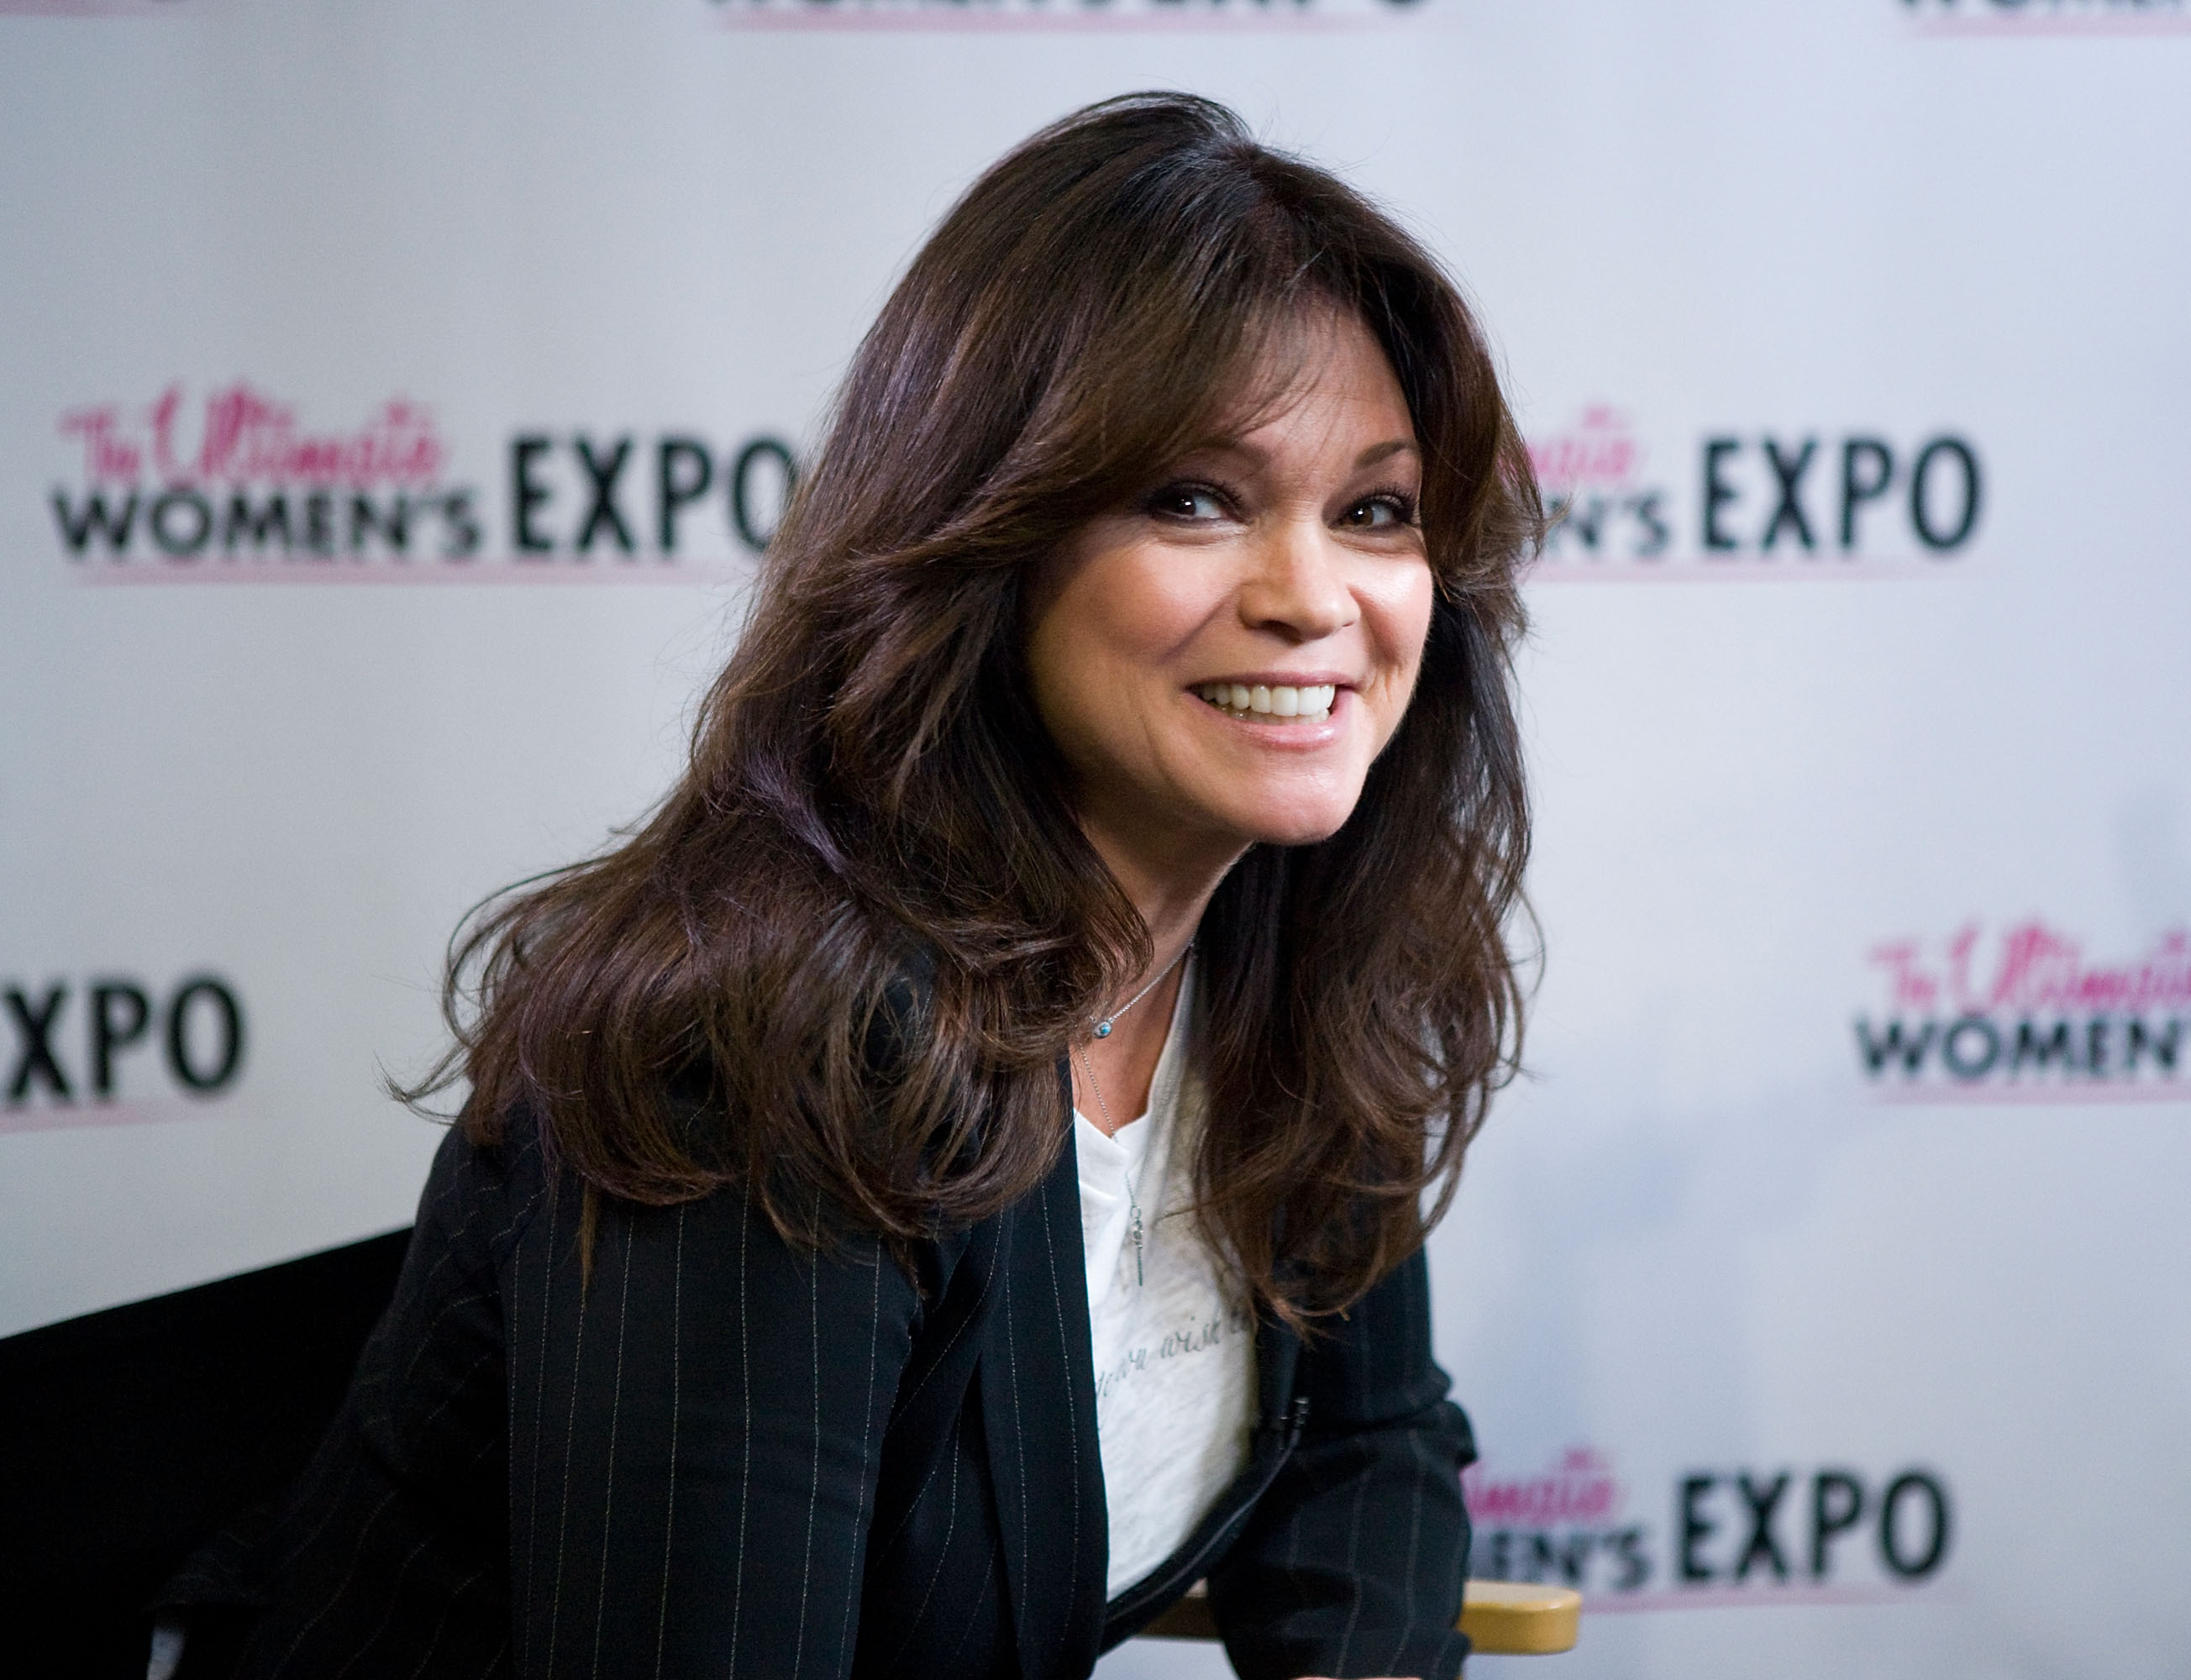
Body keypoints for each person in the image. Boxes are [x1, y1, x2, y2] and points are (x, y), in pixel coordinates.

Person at [161, 92, 1542, 1680]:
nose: (1314, 600)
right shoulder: (763, 1055)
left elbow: (1372, 1448)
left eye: (1375, 511)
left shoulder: (1302, 948)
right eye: (1195, 498)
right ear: (988, 538)